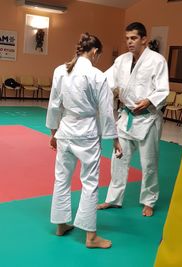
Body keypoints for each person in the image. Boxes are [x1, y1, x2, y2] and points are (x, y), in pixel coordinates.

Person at [46, 33, 122, 249]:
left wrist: (53, 133)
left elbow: (53, 105)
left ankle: (61, 225)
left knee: (61, 179)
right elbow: (107, 112)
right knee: (89, 183)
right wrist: (115, 139)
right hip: (87, 134)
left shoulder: (60, 71)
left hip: (65, 130)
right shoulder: (97, 76)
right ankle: (90, 237)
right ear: (95, 51)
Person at [97, 22, 169, 217]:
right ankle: (113, 199)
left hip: (148, 119)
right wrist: (84, 77)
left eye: (134, 38)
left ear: (144, 39)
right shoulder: (121, 60)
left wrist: (149, 100)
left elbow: (163, 89)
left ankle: (149, 200)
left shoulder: (157, 60)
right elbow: (105, 80)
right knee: (118, 160)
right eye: (127, 38)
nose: (129, 42)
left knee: (149, 163)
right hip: (127, 116)